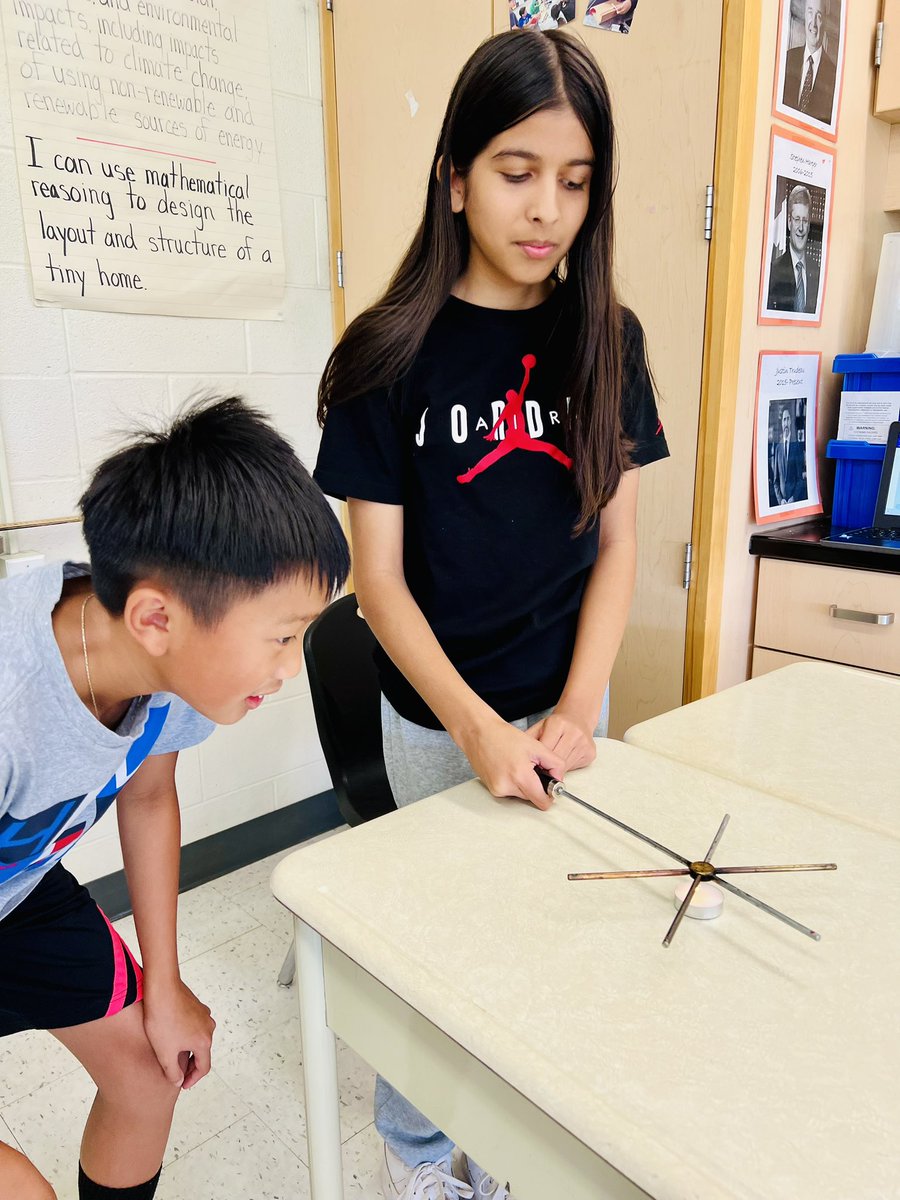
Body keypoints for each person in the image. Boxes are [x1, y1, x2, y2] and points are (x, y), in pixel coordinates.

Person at [314, 28, 668, 1200]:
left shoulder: (607, 343)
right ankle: (421, 1160)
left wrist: (576, 707)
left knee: (551, 943)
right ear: (455, 175)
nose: (547, 210)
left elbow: (616, 546)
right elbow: (380, 585)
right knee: (442, 952)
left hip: (569, 704)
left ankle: (510, 1154)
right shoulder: (385, 357)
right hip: (435, 718)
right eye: (518, 172)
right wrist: (473, 729)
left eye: (575, 182)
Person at [0, 397, 349, 1200]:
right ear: (157, 616)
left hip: (16, 889)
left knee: (150, 1069)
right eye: (281, 636)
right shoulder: (15, 698)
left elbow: (149, 798)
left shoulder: (166, 667)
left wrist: (164, 983)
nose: (290, 668)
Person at [766, 184, 820, 314]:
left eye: (805, 220)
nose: (801, 228)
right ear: (789, 222)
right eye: (797, 219)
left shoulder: (816, 271)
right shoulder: (774, 270)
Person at [782, 0, 837, 125]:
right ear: (805, 16)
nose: (813, 24)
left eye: (819, 16)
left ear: (825, 23)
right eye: (810, 12)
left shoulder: (833, 75)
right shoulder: (787, 59)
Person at [771, 406, 807, 504]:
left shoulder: (797, 447)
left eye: (787, 419)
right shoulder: (778, 448)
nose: (785, 423)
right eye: (784, 420)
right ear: (782, 423)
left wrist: (793, 498)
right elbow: (775, 481)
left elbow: (800, 479)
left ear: (790, 421)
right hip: (782, 503)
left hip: (794, 501)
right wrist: (780, 500)